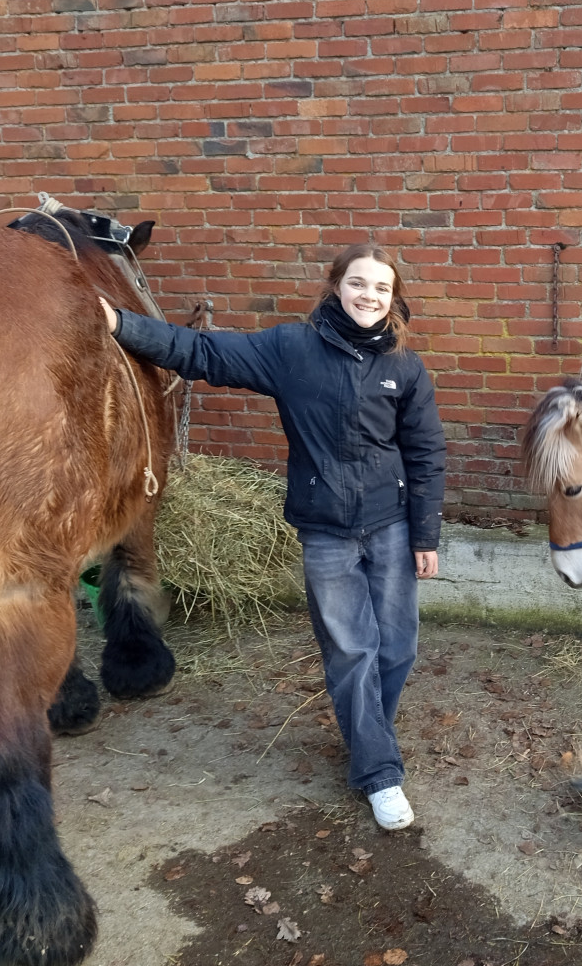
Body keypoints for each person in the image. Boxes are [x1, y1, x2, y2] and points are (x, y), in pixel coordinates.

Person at [102, 243, 446, 831]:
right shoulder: (291, 350)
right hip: (327, 533)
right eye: (359, 283)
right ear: (336, 286)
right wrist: (117, 322)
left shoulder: (404, 368)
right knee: (352, 650)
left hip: (390, 526)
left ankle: (368, 736)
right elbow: (201, 350)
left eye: (382, 288)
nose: (369, 296)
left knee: (397, 648)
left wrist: (425, 534)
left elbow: (426, 454)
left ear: (394, 299)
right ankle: (379, 772)